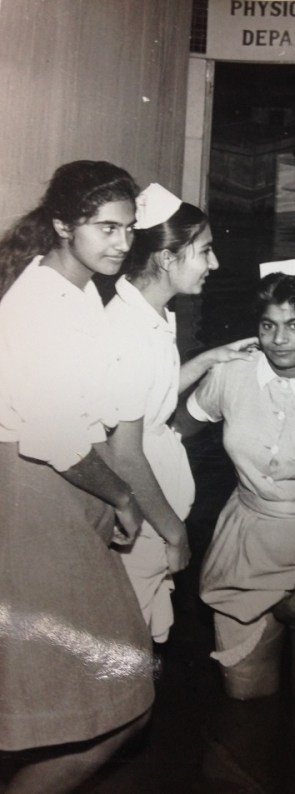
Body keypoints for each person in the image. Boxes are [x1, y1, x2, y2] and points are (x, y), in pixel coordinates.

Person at [0, 161, 154, 793]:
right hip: (39, 494)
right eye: (106, 228)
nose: (122, 243)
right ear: (63, 224)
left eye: (129, 228)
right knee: (111, 700)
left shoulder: (79, 290)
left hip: (62, 493)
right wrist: (123, 498)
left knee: (83, 700)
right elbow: (53, 435)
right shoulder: (42, 303)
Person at [185, 270, 295, 716]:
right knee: (244, 698)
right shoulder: (233, 373)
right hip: (248, 539)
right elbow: (171, 431)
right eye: (268, 325)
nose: (279, 339)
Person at [104, 182, 257, 644]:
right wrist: (175, 534)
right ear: (168, 258)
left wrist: (209, 359)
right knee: (128, 656)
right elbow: (126, 453)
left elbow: (151, 396)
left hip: (152, 524)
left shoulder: (150, 314)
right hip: (147, 526)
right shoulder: (129, 332)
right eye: (205, 251)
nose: (214, 264)